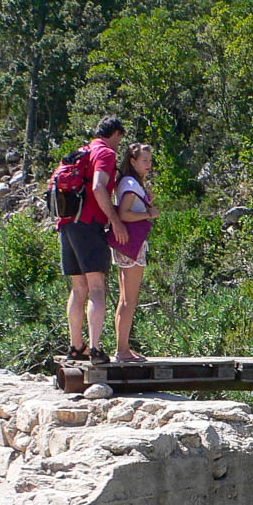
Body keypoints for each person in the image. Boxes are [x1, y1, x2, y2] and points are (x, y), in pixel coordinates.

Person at [60, 116, 130, 363]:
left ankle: (76, 347)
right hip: (89, 224)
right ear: (116, 134)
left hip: (67, 224)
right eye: (119, 139)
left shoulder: (82, 151)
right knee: (97, 287)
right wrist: (115, 220)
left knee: (78, 288)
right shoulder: (105, 153)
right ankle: (96, 349)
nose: (118, 145)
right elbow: (99, 187)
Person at [106, 142, 159, 362]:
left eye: (150, 160)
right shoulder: (129, 183)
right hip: (132, 246)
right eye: (144, 160)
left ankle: (123, 348)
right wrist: (149, 213)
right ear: (133, 161)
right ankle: (122, 350)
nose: (149, 164)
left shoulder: (128, 183)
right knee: (129, 299)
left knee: (124, 299)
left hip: (125, 246)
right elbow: (125, 214)